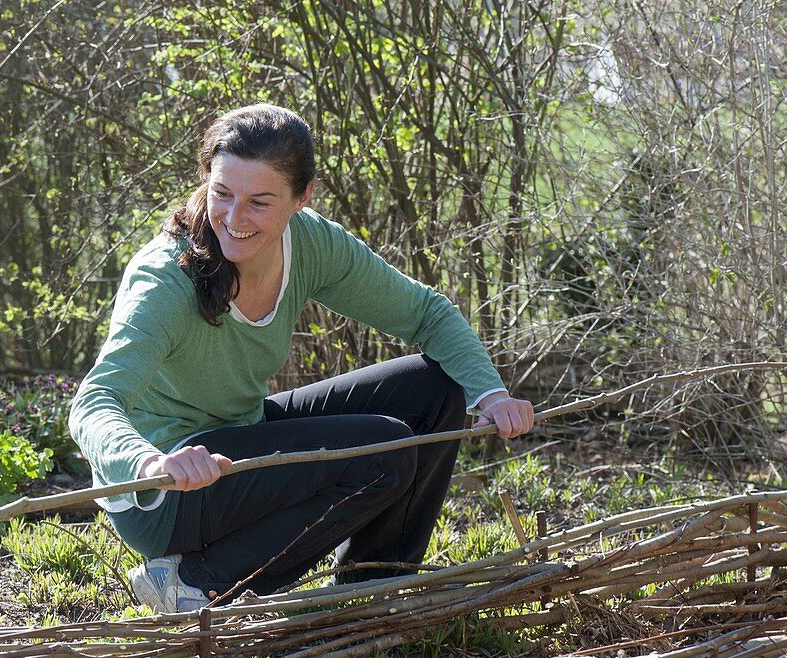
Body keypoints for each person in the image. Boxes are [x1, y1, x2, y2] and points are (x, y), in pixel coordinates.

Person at [68, 104, 533, 614]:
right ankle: (197, 584)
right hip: (165, 491)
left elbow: (428, 314)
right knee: (383, 450)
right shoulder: (166, 278)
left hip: (240, 433)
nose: (234, 218)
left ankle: (372, 587)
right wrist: (150, 461)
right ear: (206, 177)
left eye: (259, 202)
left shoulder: (310, 243)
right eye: (221, 193)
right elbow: (94, 402)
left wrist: (490, 392)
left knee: (438, 386)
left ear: (302, 196)